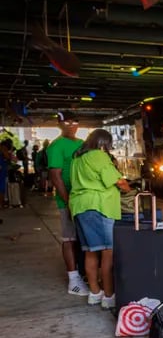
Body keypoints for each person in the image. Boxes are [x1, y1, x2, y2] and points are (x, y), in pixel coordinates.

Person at [69, 129, 131, 308]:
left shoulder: (77, 158)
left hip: (80, 208)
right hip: (99, 207)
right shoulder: (98, 155)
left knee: (90, 251)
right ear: (103, 143)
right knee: (107, 253)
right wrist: (127, 186)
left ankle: (95, 293)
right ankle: (109, 296)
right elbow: (117, 181)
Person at [47, 110, 89, 296]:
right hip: (69, 201)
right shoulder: (56, 146)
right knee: (69, 238)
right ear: (60, 124)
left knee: (84, 239)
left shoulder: (82, 144)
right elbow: (55, 176)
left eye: (75, 122)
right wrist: (67, 201)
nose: (71, 125)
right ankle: (73, 280)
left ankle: (85, 273)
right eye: (67, 122)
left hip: (85, 199)